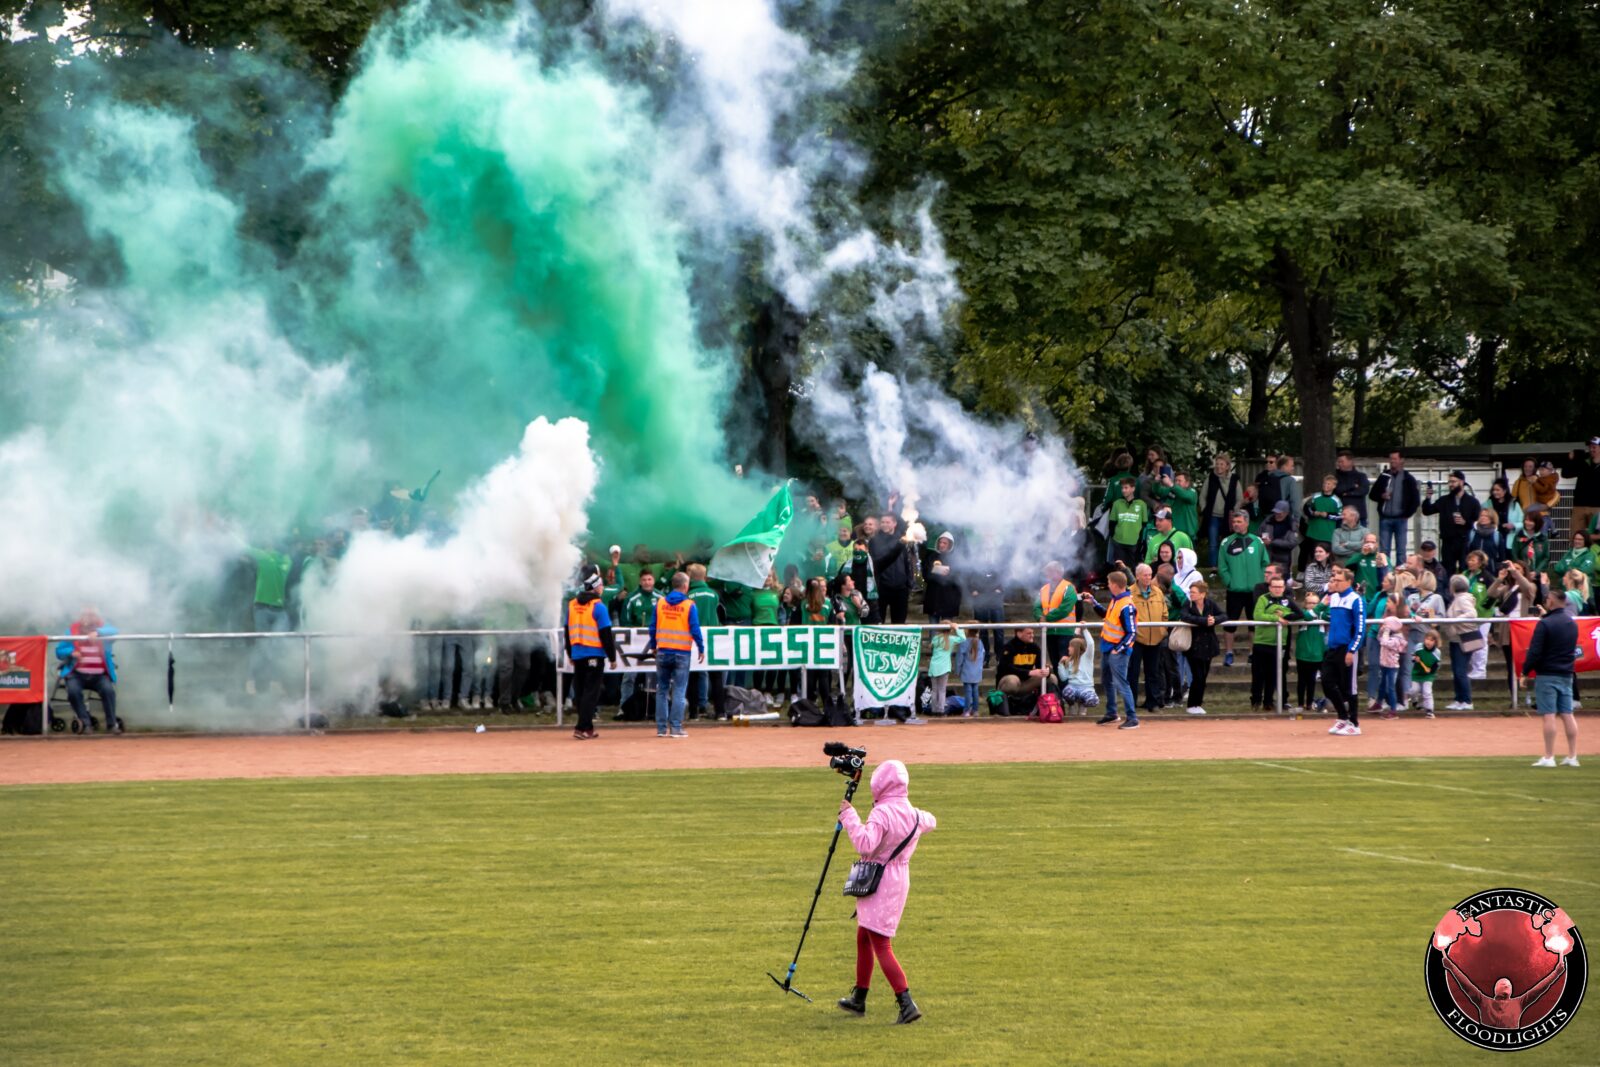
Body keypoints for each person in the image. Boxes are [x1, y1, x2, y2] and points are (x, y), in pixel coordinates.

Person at [837, 759, 936, 1024]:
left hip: (878, 880)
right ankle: (859, 996)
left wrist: (849, 816)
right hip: (898, 879)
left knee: (881, 942)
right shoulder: (914, 814)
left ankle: (906, 1003)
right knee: (864, 935)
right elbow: (930, 820)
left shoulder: (882, 813)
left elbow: (865, 844)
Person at [1524, 588, 1582, 768]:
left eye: (1548, 598)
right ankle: (1572, 755)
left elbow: (1535, 651)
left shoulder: (1545, 624)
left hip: (1547, 673)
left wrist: (1525, 671)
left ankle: (1549, 756)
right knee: (1567, 714)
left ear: (1552, 601)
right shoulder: (1571, 623)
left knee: (1549, 715)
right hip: (1566, 673)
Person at [1439, 950, 1568, 1028]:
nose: (1506, 985)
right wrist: (1451, 967)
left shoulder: (1518, 1002)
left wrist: (1556, 973)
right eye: (1503, 984)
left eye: (1508, 984)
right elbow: (1466, 985)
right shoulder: (1484, 1001)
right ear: (1495, 990)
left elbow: (1539, 989)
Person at [647, 572, 705, 739]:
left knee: (662, 690)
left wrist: (653, 645)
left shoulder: (660, 603)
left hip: (663, 651)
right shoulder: (689, 605)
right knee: (679, 690)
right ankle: (676, 727)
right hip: (681, 652)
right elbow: (695, 628)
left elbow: (653, 626)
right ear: (685, 586)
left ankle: (661, 728)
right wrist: (700, 647)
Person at [564, 566, 619, 740]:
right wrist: (612, 657)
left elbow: (567, 631)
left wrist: (570, 653)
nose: (602, 588)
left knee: (581, 692)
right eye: (601, 585)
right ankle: (581, 728)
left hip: (578, 653)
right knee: (591, 693)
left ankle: (587, 728)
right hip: (594, 653)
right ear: (595, 587)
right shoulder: (599, 607)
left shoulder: (572, 605)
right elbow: (606, 634)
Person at [56, 608, 121, 734]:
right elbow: (59, 651)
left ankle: (112, 724)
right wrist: (71, 653)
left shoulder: (103, 629)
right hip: (77, 674)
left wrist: (98, 632)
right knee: (73, 692)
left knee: (108, 691)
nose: (89, 618)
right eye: (85, 615)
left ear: (97, 617)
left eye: (92, 615)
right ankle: (85, 723)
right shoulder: (72, 631)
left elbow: (115, 631)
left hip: (100, 676)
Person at [1217, 509, 1268, 667]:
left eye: (1239, 521)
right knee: (1230, 623)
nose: (1236, 524)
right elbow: (1222, 567)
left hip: (1254, 591)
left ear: (1247, 523)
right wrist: (1230, 582)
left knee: (1254, 623)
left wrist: (1260, 582)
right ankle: (1229, 652)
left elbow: (1265, 563)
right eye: (1234, 522)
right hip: (1235, 590)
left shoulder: (1257, 541)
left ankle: (1253, 653)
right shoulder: (1226, 542)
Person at [1323, 566, 1366, 735]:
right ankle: (1342, 716)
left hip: (1347, 648)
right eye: (1334, 580)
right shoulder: (1333, 598)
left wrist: (1352, 650)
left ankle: (1354, 723)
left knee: (1350, 688)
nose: (1335, 583)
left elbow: (1360, 628)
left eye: (1339, 581)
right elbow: (1329, 617)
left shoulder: (1356, 599)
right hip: (1333, 648)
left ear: (1348, 582)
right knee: (1327, 682)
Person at [1094, 571, 1140, 729]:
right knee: (1107, 681)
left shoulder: (1126, 604)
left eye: (1109, 583)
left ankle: (1132, 718)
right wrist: (1094, 603)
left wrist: (1119, 649)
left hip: (1117, 651)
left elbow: (1132, 632)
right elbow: (1107, 617)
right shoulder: (1117, 600)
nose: (1108, 585)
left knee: (1121, 683)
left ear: (1115, 585)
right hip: (1109, 648)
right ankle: (1112, 713)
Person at [1250, 575, 1299, 710]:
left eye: (1280, 587)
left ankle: (1268, 702)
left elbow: (1299, 614)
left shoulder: (1287, 600)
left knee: (1273, 674)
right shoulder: (1263, 599)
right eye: (1275, 587)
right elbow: (1258, 615)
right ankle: (1255, 701)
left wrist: (1285, 615)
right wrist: (1275, 618)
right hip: (1261, 642)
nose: (1277, 589)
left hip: (1279, 643)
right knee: (1258, 674)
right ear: (1270, 588)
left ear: (1284, 588)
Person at [1422, 470, 1481, 576]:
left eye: (1453, 482)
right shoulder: (1444, 500)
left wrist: (1465, 522)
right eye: (1449, 482)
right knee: (1447, 570)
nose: (1451, 484)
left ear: (1461, 482)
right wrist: (1428, 498)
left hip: (1464, 541)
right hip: (1448, 542)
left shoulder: (1472, 502)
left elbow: (1478, 522)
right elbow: (1427, 511)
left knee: (1465, 568)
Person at [1127, 563, 1169, 712]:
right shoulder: (1129, 593)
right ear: (1137, 576)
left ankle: (1153, 702)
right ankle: (1131, 703)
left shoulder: (1158, 592)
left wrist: (1162, 631)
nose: (1148, 578)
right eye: (1145, 575)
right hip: (1136, 639)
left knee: (1153, 672)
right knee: (1133, 672)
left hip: (1155, 638)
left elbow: (1165, 614)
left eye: (1150, 575)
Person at [685, 564, 725, 719]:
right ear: (704, 576)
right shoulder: (714, 594)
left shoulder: (688, 596)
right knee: (716, 675)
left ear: (690, 577)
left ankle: (694, 713)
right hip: (713, 637)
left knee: (693, 675)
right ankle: (720, 712)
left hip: (694, 637)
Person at [1370, 450, 1421, 560]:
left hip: (1401, 519)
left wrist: (1407, 514)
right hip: (1385, 518)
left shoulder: (1408, 478)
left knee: (1401, 551)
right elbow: (1372, 495)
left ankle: (1401, 570)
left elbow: (1416, 500)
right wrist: (1382, 496)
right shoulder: (1384, 476)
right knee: (1384, 550)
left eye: (1394, 459)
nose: (1392, 461)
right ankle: (1384, 570)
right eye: (1391, 459)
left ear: (1401, 460)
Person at [1179, 580, 1220, 715]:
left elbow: (1223, 615)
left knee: (1203, 676)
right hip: (1193, 646)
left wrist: (1214, 620)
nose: (1191, 594)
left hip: (1208, 645)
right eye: (1190, 592)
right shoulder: (1188, 604)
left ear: (1202, 594)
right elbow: (1184, 616)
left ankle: (1198, 703)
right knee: (1198, 676)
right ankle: (1192, 704)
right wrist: (1203, 621)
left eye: (1194, 592)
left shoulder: (1210, 604)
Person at [870, 513, 915, 625]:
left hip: (901, 588)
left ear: (894, 523)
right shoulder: (875, 541)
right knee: (878, 622)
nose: (884, 524)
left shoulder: (903, 540)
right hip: (882, 587)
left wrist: (909, 583)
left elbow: (908, 563)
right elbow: (876, 563)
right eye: (882, 522)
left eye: (887, 522)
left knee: (899, 623)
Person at [1444, 575, 1478, 711]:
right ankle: (1459, 699)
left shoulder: (1463, 599)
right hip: (1456, 639)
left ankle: (1467, 700)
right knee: (1456, 670)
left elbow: (1472, 614)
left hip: (1463, 639)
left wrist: (1457, 619)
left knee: (1460, 671)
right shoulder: (1457, 599)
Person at [1033, 560, 1078, 664]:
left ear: (1058, 572)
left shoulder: (1069, 588)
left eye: (1049, 571)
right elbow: (1036, 607)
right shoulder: (1044, 589)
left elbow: (1065, 609)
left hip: (1065, 631)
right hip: (1049, 631)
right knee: (1055, 663)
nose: (1046, 574)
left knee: (1064, 664)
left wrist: (1045, 618)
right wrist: (1040, 617)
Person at [995, 626, 1047, 714]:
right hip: (1009, 683)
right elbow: (1006, 669)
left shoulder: (1035, 647)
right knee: (1012, 681)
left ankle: (1049, 709)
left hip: (1026, 683)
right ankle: (1003, 708)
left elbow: (1041, 666)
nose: (1032, 635)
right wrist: (1029, 672)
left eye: (1032, 633)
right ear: (1019, 634)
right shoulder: (1008, 647)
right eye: (1029, 633)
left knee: (1051, 678)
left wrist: (1047, 671)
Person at [1201, 453, 1241, 567]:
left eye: (1222, 464)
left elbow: (1239, 499)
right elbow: (1202, 496)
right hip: (1213, 516)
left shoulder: (1234, 480)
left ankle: (1226, 566)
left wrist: (1234, 512)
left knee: (1227, 542)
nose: (1219, 466)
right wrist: (1204, 509)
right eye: (1217, 464)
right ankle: (1213, 567)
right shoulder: (1210, 478)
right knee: (1213, 543)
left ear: (1227, 466)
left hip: (1228, 517)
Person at [1295, 590, 1327, 714]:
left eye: (1315, 603)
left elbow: (1330, 615)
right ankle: (1300, 703)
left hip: (1317, 653)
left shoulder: (1322, 615)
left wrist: (1325, 606)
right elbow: (1307, 616)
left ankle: (1309, 703)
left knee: (1312, 680)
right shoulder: (1302, 614)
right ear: (1305, 604)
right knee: (1302, 680)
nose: (1313, 605)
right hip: (1303, 653)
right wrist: (1320, 607)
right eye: (1310, 603)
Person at [1562, 437, 1600, 537]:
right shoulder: (1583, 461)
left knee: (1595, 537)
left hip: (1597, 507)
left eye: (1594, 447)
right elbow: (1565, 474)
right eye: (1590, 447)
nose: (1591, 449)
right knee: (1576, 536)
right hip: (1579, 505)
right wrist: (1570, 460)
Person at [1107, 478, 1149, 566]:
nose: (1123, 490)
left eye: (1126, 488)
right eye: (1122, 488)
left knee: (1132, 567)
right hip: (1118, 541)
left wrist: (1140, 541)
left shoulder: (1141, 504)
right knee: (1119, 567)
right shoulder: (1117, 503)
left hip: (1134, 542)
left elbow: (1144, 524)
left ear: (1133, 489)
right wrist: (1114, 537)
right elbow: (1112, 523)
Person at [922, 532, 962, 623]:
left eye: (944, 543)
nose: (941, 545)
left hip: (949, 599)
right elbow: (926, 574)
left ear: (950, 545)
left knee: (946, 628)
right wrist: (938, 573)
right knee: (933, 628)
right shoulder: (931, 557)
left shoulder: (955, 559)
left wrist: (949, 574)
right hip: (934, 598)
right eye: (940, 542)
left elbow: (959, 577)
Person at [926, 621, 964, 716]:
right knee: (942, 690)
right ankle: (940, 710)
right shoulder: (951, 639)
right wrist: (957, 628)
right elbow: (963, 638)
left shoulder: (936, 638)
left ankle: (934, 710)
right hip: (944, 667)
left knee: (935, 690)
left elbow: (930, 645)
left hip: (934, 667)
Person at [1056, 636, 1099, 714]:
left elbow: (1091, 644)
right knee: (1066, 692)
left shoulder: (1087, 657)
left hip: (1086, 687)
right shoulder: (1069, 661)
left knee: (1093, 700)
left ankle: (1083, 705)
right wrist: (1060, 664)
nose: (1068, 648)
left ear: (1076, 648)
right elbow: (1063, 678)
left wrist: (1085, 630)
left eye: (1070, 646)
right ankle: (1071, 706)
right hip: (1073, 686)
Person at [1257, 500, 1299, 573]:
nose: (1277, 515)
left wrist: (1272, 542)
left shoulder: (1292, 524)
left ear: (1286, 513)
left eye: (1280, 513)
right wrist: (1262, 539)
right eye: (1275, 512)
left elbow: (1292, 543)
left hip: (1282, 559)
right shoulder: (1268, 520)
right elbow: (1259, 533)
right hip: (1267, 556)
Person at [1333, 451, 1371, 525]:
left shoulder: (1361, 476)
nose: (1339, 464)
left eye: (1342, 462)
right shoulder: (1336, 476)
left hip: (1359, 516)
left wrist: (1347, 493)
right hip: (1341, 516)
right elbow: (1338, 490)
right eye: (1338, 462)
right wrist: (1353, 486)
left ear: (1350, 462)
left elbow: (1364, 490)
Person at [955, 627, 986, 717]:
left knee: (968, 691)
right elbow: (983, 655)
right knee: (975, 691)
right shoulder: (980, 642)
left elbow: (959, 658)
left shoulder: (964, 643)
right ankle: (975, 710)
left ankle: (967, 710)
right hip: (977, 670)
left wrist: (957, 670)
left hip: (967, 670)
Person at [1511, 508, 1551, 576]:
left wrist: (1537, 572)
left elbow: (1546, 558)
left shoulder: (1542, 539)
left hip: (1538, 575)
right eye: (1526, 520)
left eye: (1531, 521)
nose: (1528, 523)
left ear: (1537, 523)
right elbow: (1514, 555)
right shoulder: (1518, 537)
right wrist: (1523, 571)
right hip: (1522, 575)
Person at [1466, 507, 1508, 571]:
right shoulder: (1472, 533)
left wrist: (1500, 570)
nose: (1483, 518)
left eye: (1486, 516)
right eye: (1481, 515)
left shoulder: (1496, 535)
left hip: (1490, 570)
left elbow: (1502, 556)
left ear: (1492, 518)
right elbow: (1466, 552)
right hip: (1473, 569)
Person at [1411, 629, 1441, 719]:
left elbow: (1436, 665)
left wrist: (1431, 670)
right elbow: (1412, 656)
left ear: (1435, 642)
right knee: (1414, 690)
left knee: (1427, 691)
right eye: (1427, 639)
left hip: (1428, 675)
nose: (1428, 642)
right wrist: (1415, 659)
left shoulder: (1437, 652)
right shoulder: (1418, 647)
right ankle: (1414, 700)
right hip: (1416, 673)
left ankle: (1429, 710)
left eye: (1431, 640)